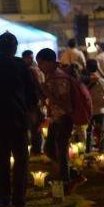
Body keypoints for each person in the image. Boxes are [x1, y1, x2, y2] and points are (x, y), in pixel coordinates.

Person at [0, 32, 38, 207]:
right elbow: (31, 92)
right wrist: (31, 110)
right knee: (21, 160)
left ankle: (4, 199)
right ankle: (19, 201)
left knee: (3, 161)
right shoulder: (19, 65)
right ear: (14, 47)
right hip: (16, 118)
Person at [36, 48, 80, 191]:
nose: (39, 67)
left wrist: (47, 93)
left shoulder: (59, 77)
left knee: (61, 151)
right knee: (49, 149)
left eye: (41, 63)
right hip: (56, 118)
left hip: (63, 118)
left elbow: (65, 102)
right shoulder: (52, 75)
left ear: (49, 62)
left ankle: (66, 182)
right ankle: (73, 175)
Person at [22, 49, 45, 155]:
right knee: (35, 126)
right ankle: (37, 148)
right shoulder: (32, 69)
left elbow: (39, 85)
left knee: (35, 126)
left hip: (33, 101)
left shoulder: (32, 70)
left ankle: (36, 148)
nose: (31, 59)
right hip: (33, 101)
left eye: (32, 57)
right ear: (24, 58)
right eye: (29, 57)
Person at [84, 59, 104, 153]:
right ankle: (102, 149)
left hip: (88, 109)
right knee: (101, 130)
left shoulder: (84, 81)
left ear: (86, 68)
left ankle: (88, 149)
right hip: (100, 109)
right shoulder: (101, 80)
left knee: (89, 130)